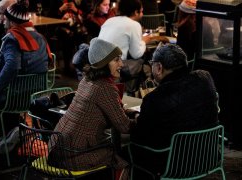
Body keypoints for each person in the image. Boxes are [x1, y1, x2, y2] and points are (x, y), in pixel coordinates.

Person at [48, 38, 137, 180]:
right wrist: (139, 119)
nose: (121, 63)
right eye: (116, 60)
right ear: (103, 64)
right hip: (74, 155)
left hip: (57, 149)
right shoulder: (105, 88)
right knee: (125, 158)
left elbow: (104, 112)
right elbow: (124, 127)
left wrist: (125, 113)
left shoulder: (87, 80)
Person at [130, 43, 219, 178]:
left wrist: (136, 117)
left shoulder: (154, 98)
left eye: (152, 64)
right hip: (208, 157)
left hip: (174, 165)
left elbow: (142, 136)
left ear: (159, 67)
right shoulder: (205, 78)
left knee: (127, 150)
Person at [0, 0, 51, 139]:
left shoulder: (13, 38)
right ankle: (15, 128)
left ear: (11, 21)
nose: (3, 19)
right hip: (36, 94)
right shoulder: (40, 37)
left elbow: (12, 67)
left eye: (5, 17)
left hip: (14, 96)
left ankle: (12, 128)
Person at [48, 0, 90, 75]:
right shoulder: (56, 2)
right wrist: (60, 9)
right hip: (60, 27)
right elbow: (49, 16)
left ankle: (81, 65)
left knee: (81, 35)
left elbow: (87, 14)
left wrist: (76, 10)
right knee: (67, 36)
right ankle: (67, 67)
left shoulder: (80, 2)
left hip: (77, 27)